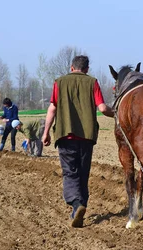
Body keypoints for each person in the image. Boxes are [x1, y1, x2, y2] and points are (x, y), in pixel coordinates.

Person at [42, 55, 114, 228]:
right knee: (83, 173)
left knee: (70, 173)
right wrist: (118, 114)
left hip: (66, 135)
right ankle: (80, 207)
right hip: (87, 137)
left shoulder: (59, 82)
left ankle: (76, 204)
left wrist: (45, 133)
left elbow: (52, 108)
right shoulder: (92, 82)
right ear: (87, 69)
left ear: (71, 67)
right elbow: (103, 108)